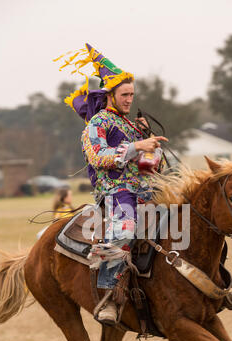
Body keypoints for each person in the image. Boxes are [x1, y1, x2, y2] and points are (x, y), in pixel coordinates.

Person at [55, 43, 168, 324]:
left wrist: (152, 150)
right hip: (116, 192)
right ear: (110, 95)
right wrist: (137, 146)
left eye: (132, 94)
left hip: (145, 190)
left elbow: (147, 168)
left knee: (188, 215)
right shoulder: (96, 123)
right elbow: (98, 157)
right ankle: (110, 298)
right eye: (125, 94)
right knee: (125, 229)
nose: (129, 99)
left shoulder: (131, 126)